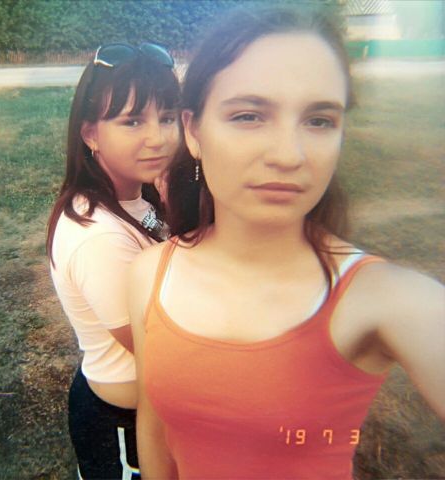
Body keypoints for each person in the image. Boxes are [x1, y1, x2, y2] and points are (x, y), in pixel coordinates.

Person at [128, 5, 445, 479]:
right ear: (193, 131)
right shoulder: (151, 274)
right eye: (249, 115)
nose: (289, 155)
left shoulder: (385, 300)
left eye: (319, 121)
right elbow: (154, 429)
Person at [46, 42, 180, 479]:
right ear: (90, 134)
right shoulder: (98, 235)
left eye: (167, 118)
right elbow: (161, 347)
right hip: (124, 428)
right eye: (132, 121)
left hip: (153, 411)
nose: (158, 138)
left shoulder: (140, 197)